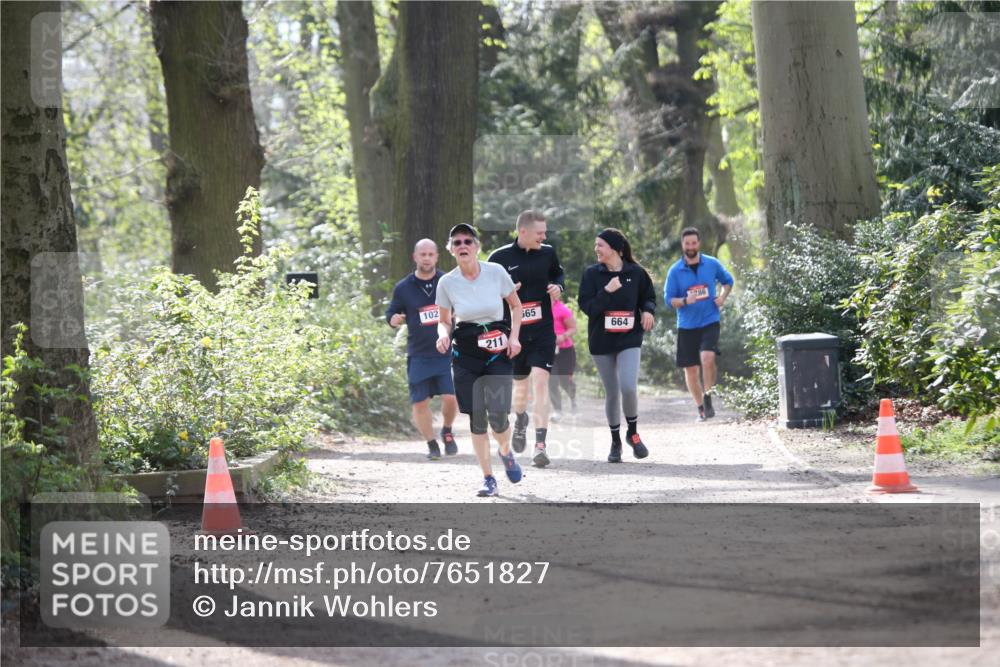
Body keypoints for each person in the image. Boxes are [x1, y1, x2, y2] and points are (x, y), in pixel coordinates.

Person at [436, 223, 524, 497]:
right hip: (466, 353)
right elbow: (443, 320)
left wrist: (515, 338)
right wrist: (442, 335)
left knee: (498, 417)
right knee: (477, 418)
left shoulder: (496, 273)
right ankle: (488, 478)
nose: (463, 246)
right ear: (451, 250)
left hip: (497, 350)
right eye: (457, 242)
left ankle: (506, 452)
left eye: (467, 241)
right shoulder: (447, 282)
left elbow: (516, 305)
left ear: (477, 247)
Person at [487, 210, 565, 468]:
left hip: (543, 330)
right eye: (539, 233)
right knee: (520, 389)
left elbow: (558, 274)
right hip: (515, 333)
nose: (544, 236)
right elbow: (485, 294)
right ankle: (520, 419)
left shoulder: (548, 253)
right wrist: (505, 294)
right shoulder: (499, 258)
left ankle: (540, 445)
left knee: (541, 383)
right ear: (523, 232)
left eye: (545, 232)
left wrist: (558, 287)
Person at [578, 228, 655, 463]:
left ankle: (632, 432)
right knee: (612, 392)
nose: (596, 249)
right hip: (601, 341)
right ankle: (615, 442)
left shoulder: (636, 273)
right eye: (596, 245)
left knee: (628, 387)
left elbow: (648, 297)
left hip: (629, 338)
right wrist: (606, 291)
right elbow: (588, 308)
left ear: (615, 249)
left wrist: (649, 311)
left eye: (600, 245)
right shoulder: (592, 274)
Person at [385, 239, 460, 459]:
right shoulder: (403, 287)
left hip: (446, 351)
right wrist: (394, 319)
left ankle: (447, 430)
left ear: (437, 257)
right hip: (418, 354)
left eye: (430, 254)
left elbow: (465, 305)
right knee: (420, 402)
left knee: (450, 396)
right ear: (415, 257)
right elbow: (391, 313)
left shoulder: (449, 282)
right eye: (422, 254)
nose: (427, 258)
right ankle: (431, 444)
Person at [663, 227, 735, 422]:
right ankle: (701, 408)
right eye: (687, 244)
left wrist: (722, 297)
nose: (691, 247)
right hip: (686, 325)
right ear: (683, 245)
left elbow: (728, 281)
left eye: (694, 243)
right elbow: (669, 300)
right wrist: (685, 300)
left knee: (707, 357)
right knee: (691, 370)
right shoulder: (675, 271)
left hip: (709, 320)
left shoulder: (711, 264)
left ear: (699, 243)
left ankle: (708, 395)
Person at [548, 292, 577, 421]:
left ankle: (573, 399)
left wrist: (563, 336)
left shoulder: (562, 310)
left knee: (565, 381)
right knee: (552, 381)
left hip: (565, 350)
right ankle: (557, 410)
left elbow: (573, 328)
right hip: (548, 351)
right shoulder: (539, 310)